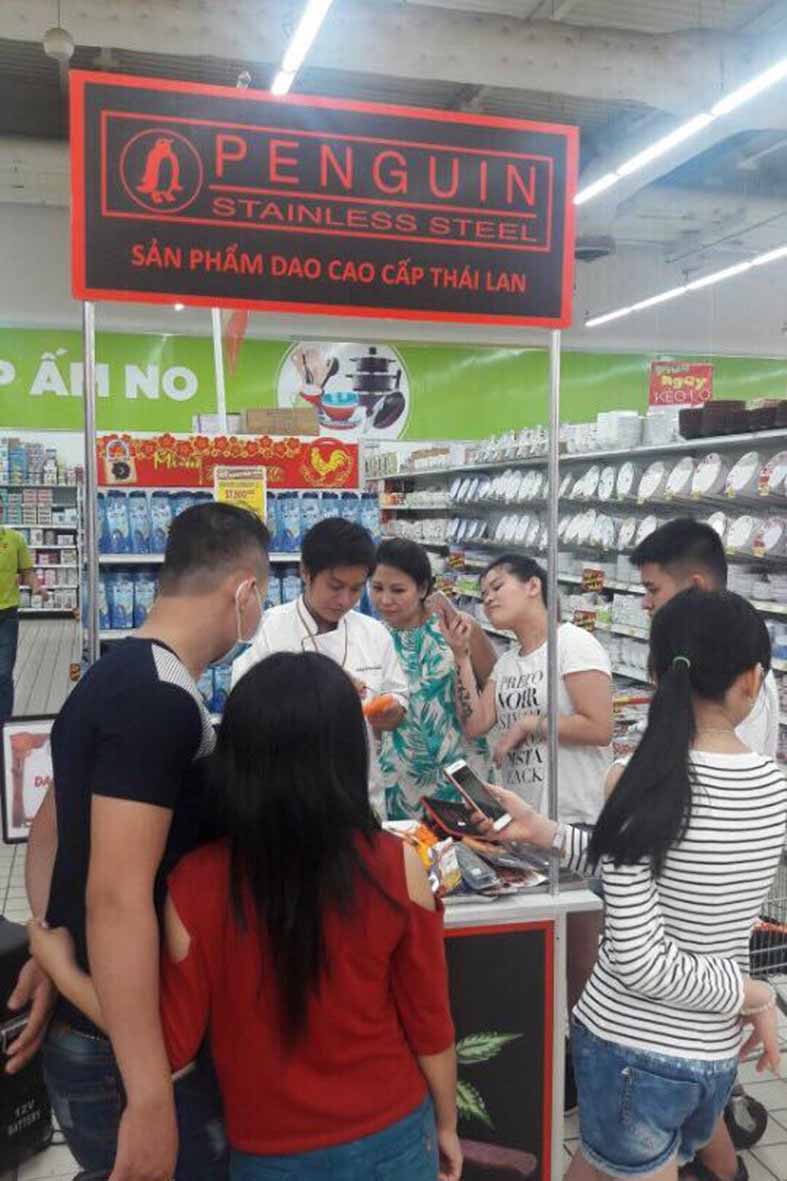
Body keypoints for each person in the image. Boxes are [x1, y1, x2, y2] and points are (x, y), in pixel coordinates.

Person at [29, 652, 462, 1181]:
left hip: (269, 1151)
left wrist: (60, 967)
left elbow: (167, 1047)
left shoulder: (196, 885)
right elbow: (429, 1021)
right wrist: (445, 1123)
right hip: (394, 1134)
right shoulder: (397, 864)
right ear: (349, 755)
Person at [477, 588, 786, 1181]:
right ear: (753, 681)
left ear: (655, 676)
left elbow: (640, 958)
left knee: (606, 1160)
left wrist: (753, 995)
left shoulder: (639, 779)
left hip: (631, 1046)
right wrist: (547, 831)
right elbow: (652, 873)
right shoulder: (773, 788)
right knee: (605, 1162)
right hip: (707, 1046)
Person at [6, 501, 270, 1181]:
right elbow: (119, 897)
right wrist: (150, 1094)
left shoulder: (115, 672)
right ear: (244, 591)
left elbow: (51, 828)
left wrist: (53, 941)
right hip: (127, 1047)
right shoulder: (160, 700)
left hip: (98, 1020)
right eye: (263, 596)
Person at [629, 517, 781, 1181]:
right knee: (681, 1115)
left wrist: (753, 993)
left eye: (651, 590)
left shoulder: (728, 717)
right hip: (703, 1001)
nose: (644, 602)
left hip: (666, 1012)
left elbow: (639, 957)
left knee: (646, 1140)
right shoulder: (728, 695)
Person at [443, 552, 613, 1016]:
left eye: (497, 586)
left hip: (575, 821)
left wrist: (528, 724)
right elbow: (475, 724)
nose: (488, 598)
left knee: (579, 957)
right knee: (540, 952)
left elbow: (599, 725)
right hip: (524, 830)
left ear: (534, 586)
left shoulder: (572, 644)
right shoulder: (507, 665)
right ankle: (556, 1047)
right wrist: (461, 657)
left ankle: (581, 1050)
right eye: (483, 593)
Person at [232, 517, 408, 818]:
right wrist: (323, 692)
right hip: (284, 796)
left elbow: (398, 699)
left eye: (356, 589)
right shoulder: (267, 630)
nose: (344, 600)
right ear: (305, 571)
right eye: (335, 586)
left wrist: (392, 713)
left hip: (359, 791)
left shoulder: (374, 634)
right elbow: (246, 715)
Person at [632, 518, 779, 758]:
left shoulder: (737, 668)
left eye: (653, 589)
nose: (645, 603)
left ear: (696, 587)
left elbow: (726, 767)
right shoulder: (687, 651)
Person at [371, 537, 495, 819]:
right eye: (377, 588)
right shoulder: (373, 638)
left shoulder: (459, 628)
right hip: (399, 782)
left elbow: (494, 688)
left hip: (463, 776)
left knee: (473, 845)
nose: (385, 600)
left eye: (398, 590)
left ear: (423, 588)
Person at [0, 502, 49, 723]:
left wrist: (37, 587)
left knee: (3, 673)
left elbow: (27, 571)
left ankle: (4, 722)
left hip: (7, 616)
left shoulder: (15, 539)